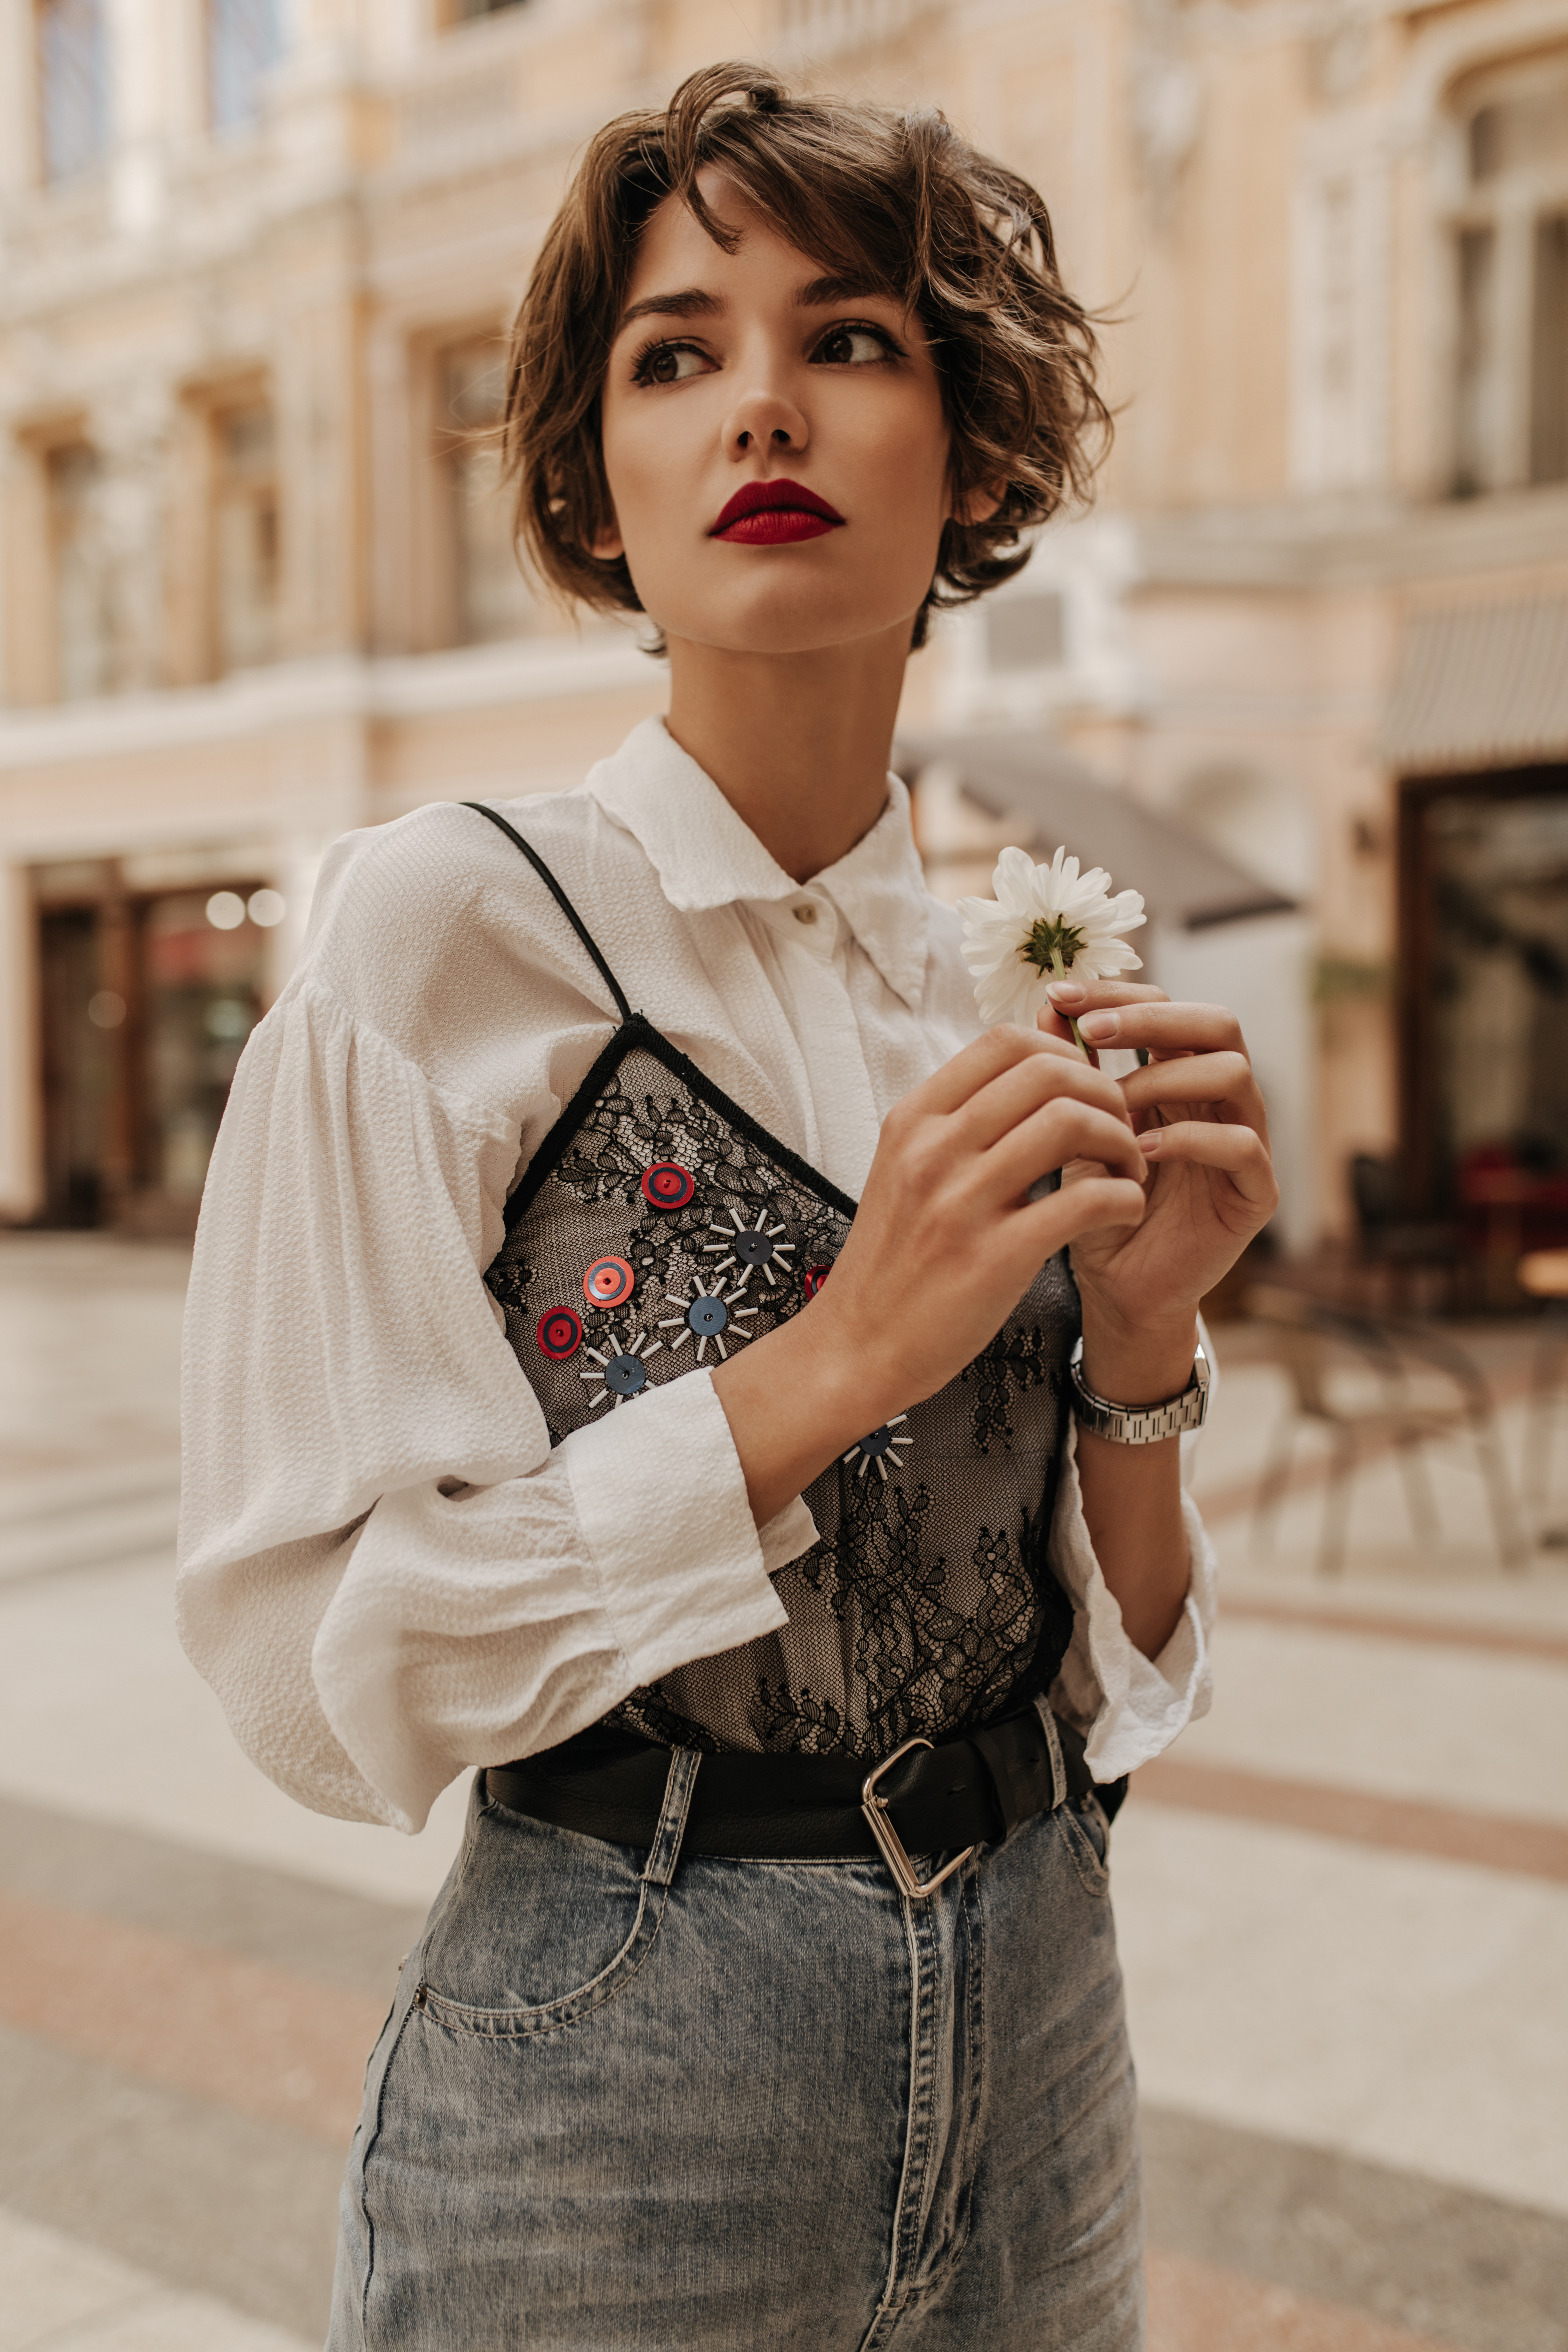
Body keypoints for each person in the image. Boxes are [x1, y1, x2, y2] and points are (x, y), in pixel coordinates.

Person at [177, 62, 1277, 2352]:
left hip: (1044, 2004)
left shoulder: (993, 978)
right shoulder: (440, 931)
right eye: (677, 355)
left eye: (848, 339)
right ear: (601, 480)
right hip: (625, 2051)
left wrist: (1149, 1345)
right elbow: (310, 1666)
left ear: (971, 454)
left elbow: (1094, 1676)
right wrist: (840, 1357)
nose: (758, 407)